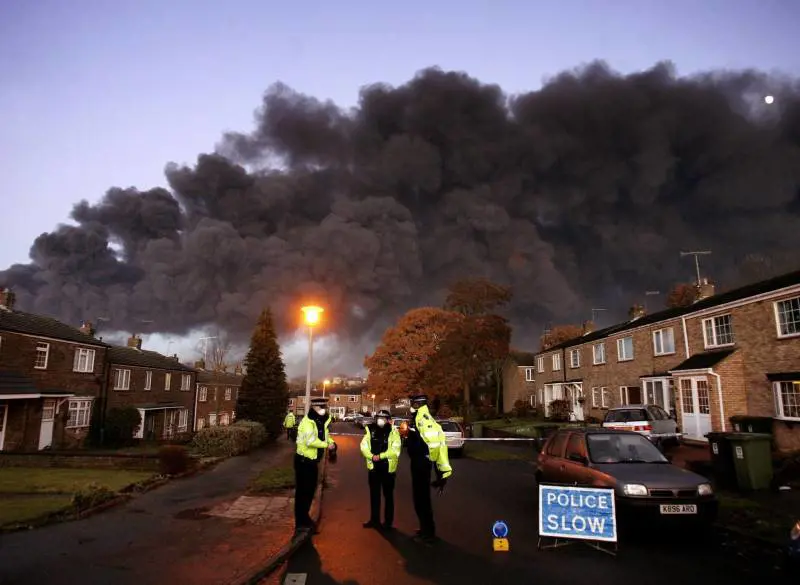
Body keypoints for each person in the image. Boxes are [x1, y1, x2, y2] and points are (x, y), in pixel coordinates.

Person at [405, 394, 452, 544]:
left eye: (412, 403)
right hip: (419, 462)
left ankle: (428, 533)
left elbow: (433, 444)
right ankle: (424, 528)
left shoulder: (424, 419)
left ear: (418, 404)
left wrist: (426, 457)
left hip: (421, 464)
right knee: (419, 499)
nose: (410, 405)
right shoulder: (419, 417)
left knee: (422, 500)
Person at [293, 397, 335, 533]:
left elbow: (325, 437)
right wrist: (327, 445)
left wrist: (332, 442)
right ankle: (300, 523)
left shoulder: (322, 421)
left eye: (325, 407)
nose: (324, 410)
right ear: (315, 408)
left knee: (310, 492)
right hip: (303, 461)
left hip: (312, 462)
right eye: (321, 407)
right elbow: (311, 441)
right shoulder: (307, 422)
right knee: (302, 493)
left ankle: (305, 518)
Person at [360, 409, 401, 530]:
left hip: (388, 469)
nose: (381, 420)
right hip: (374, 468)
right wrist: (371, 456)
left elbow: (395, 450)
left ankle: (388, 523)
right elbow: (364, 446)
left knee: (388, 496)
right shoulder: (370, 429)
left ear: (388, 420)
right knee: (374, 495)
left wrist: (380, 456)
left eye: (384, 418)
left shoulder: (394, 431)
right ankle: (374, 520)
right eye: (379, 417)